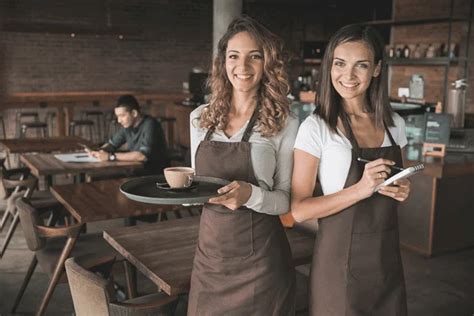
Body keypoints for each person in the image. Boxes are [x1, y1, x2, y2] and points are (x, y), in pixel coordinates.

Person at [290, 24, 411, 315]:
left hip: (385, 261)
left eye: (361, 65)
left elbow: (394, 184)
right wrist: (359, 190)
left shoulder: (395, 124)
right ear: (329, 66)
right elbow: (298, 210)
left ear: (377, 70)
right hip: (338, 264)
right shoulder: (316, 128)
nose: (348, 76)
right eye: (340, 64)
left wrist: (403, 187)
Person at [187, 16, 298, 315]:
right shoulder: (199, 119)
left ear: (268, 63)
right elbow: (196, 183)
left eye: (255, 57)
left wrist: (251, 195)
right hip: (210, 256)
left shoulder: (285, 124)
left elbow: (285, 199)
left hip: (261, 263)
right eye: (234, 56)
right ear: (223, 62)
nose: (243, 67)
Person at [88, 94, 169, 175]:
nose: (119, 120)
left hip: (154, 175)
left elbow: (142, 156)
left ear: (134, 113)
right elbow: (112, 145)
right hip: (137, 172)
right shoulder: (128, 126)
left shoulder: (150, 124)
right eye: (117, 116)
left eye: (122, 116)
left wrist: (110, 157)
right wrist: (97, 152)